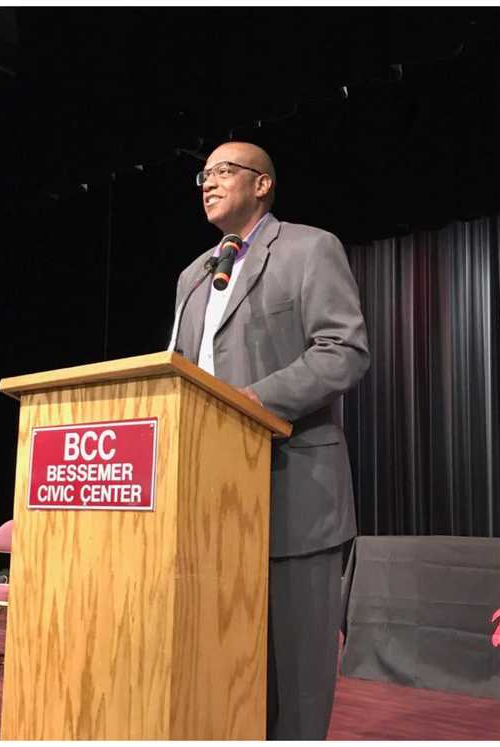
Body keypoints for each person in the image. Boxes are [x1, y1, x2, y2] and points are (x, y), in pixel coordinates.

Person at [170, 142, 369, 739]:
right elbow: (179, 372)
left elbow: (345, 351)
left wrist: (255, 401)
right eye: (203, 175)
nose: (208, 183)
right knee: (227, 672)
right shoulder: (192, 277)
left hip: (295, 495)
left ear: (262, 185)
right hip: (210, 502)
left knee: (297, 684)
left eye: (224, 171)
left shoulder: (310, 248)